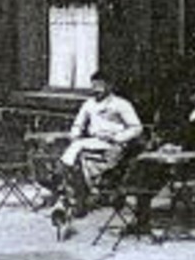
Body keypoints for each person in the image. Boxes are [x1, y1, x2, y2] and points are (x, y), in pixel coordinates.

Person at [60, 71, 144, 212]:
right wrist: (75, 134)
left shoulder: (121, 104)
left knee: (78, 158)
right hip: (93, 141)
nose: (96, 90)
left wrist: (117, 137)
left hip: (113, 144)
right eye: (93, 86)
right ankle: (78, 197)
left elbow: (137, 128)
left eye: (100, 86)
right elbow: (78, 124)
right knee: (73, 158)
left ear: (109, 86)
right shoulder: (88, 104)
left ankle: (85, 196)